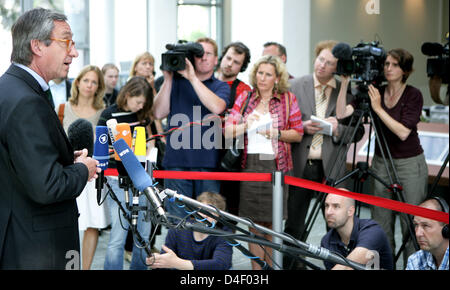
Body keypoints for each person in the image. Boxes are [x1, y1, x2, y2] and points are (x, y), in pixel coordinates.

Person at [0, 8, 99, 270]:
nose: (74, 52)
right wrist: (82, 169)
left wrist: (64, 160)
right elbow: (47, 186)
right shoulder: (26, 101)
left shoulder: (10, 89)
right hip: (37, 249)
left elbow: (18, 162)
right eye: (66, 41)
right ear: (37, 46)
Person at [336, 48, 428, 263]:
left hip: (409, 163)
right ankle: (386, 266)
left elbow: (403, 132)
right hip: (381, 162)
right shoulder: (375, 91)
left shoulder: (413, 94)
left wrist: (378, 108)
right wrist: (344, 84)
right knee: (381, 222)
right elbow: (341, 113)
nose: (389, 68)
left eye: (395, 65)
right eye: (386, 64)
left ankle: (412, 266)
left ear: (405, 70)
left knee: (411, 223)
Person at [224, 55, 303, 270]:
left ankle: (272, 268)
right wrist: (245, 125)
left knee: (273, 225)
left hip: (277, 166)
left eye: (268, 74)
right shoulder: (245, 98)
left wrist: (276, 133)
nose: (263, 78)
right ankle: (257, 272)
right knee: (253, 226)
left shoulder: (288, 99)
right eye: (260, 73)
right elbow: (228, 132)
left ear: (277, 78)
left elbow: (297, 134)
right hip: (250, 166)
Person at [283, 40, 355, 269]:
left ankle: (335, 267)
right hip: (301, 164)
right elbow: (282, 122)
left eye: (330, 63)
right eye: (320, 59)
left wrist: (337, 129)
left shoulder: (345, 91)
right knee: (295, 223)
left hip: (330, 166)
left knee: (335, 224)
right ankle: (293, 266)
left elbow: (356, 130)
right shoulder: (295, 85)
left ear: (338, 67)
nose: (322, 65)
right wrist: (300, 127)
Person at [153, 37, 231, 220]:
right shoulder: (177, 83)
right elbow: (158, 113)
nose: (203, 58)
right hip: (176, 163)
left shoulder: (221, 86)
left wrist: (193, 78)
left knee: (207, 223)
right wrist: (168, 79)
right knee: (177, 223)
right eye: (199, 54)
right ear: (192, 58)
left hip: (208, 165)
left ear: (216, 59)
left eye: (208, 54)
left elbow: (218, 107)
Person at [98, 76, 154, 270]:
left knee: (143, 235)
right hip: (116, 179)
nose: (140, 106)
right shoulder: (108, 114)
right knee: (118, 236)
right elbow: (101, 147)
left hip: (141, 176)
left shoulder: (142, 116)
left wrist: (148, 151)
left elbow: (148, 141)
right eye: (138, 102)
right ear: (128, 94)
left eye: (143, 103)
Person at [60, 65, 109, 270]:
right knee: (66, 222)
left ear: (99, 87)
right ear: (78, 82)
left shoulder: (103, 111)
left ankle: (85, 268)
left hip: (93, 173)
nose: (89, 85)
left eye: (94, 82)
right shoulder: (62, 108)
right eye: (86, 80)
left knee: (92, 224)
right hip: (67, 172)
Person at [146, 192, 233, 270]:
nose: (205, 216)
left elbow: (221, 264)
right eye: (202, 210)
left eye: (210, 212)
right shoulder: (179, 227)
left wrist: (178, 263)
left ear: (219, 216)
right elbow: (167, 257)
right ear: (195, 211)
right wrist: (158, 261)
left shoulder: (225, 234)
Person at [216, 41, 252, 216]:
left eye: (236, 62)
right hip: (199, 148)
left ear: (242, 67)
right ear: (222, 57)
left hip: (227, 155)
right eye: (228, 58)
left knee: (229, 210)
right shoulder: (206, 82)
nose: (230, 64)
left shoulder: (244, 90)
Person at [320, 193, 394, 270]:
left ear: (350, 211)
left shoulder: (372, 230)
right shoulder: (326, 241)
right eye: (326, 206)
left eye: (336, 206)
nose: (328, 212)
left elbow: (348, 267)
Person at [406, 197, 449, 270]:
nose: (418, 233)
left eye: (425, 225)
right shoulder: (415, 260)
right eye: (416, 225)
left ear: (446, 229)